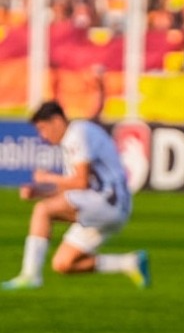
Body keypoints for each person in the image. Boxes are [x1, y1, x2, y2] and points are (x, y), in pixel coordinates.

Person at [3, 101, 149, 291]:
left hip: (108, 202)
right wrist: (39, 191)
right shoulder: (74, 138)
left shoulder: (77, 133)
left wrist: (47, 177)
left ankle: (30, 275)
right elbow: (74, 188)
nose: (42, 136)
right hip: (107, 205)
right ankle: (130, 262)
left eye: (42, 128)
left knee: (43, 210)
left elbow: (81, 182)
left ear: (56, 121)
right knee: (63, 263)